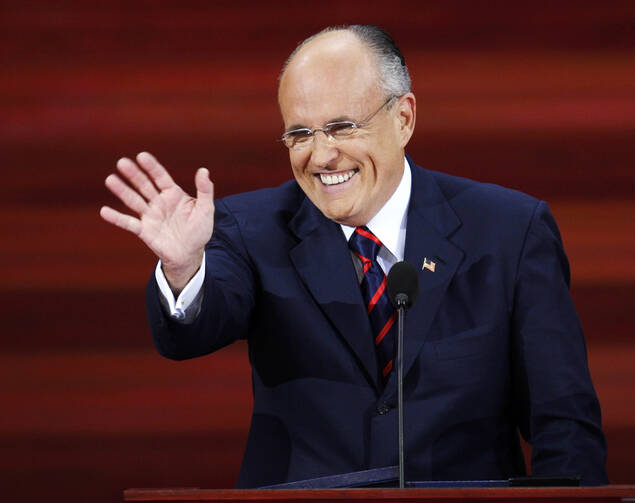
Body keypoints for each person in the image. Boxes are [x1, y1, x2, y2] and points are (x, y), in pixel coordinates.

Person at [101, 25, 608, 488]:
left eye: (342, 126)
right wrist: (184, 268)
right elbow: (193, 331)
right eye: (299, 134)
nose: (321, 156)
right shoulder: (251, 229)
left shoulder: (509, 230)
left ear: (404, 117)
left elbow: (565, 422)